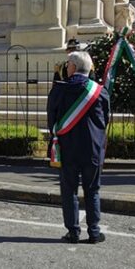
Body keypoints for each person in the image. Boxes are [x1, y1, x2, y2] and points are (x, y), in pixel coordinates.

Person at [47, 51, 110, 244]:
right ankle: (94, 231)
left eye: (68, 65)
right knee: (92, 190)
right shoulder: (100, 91)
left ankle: (73, 231)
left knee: (69, 191)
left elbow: (52, 120)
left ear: (73, 67)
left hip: (67, 149)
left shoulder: (59, 89)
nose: (66, 68)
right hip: (93, 148)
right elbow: (105, 119)